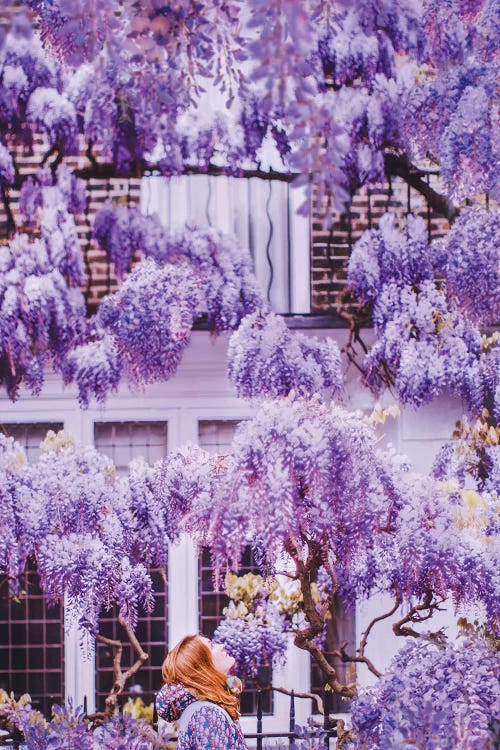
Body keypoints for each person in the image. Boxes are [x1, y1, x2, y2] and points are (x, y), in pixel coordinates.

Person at [156, 634, 249, 749]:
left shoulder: (202, 709)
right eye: (212, 646)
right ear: (202, 666)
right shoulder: (207, 715)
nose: (222, 646)